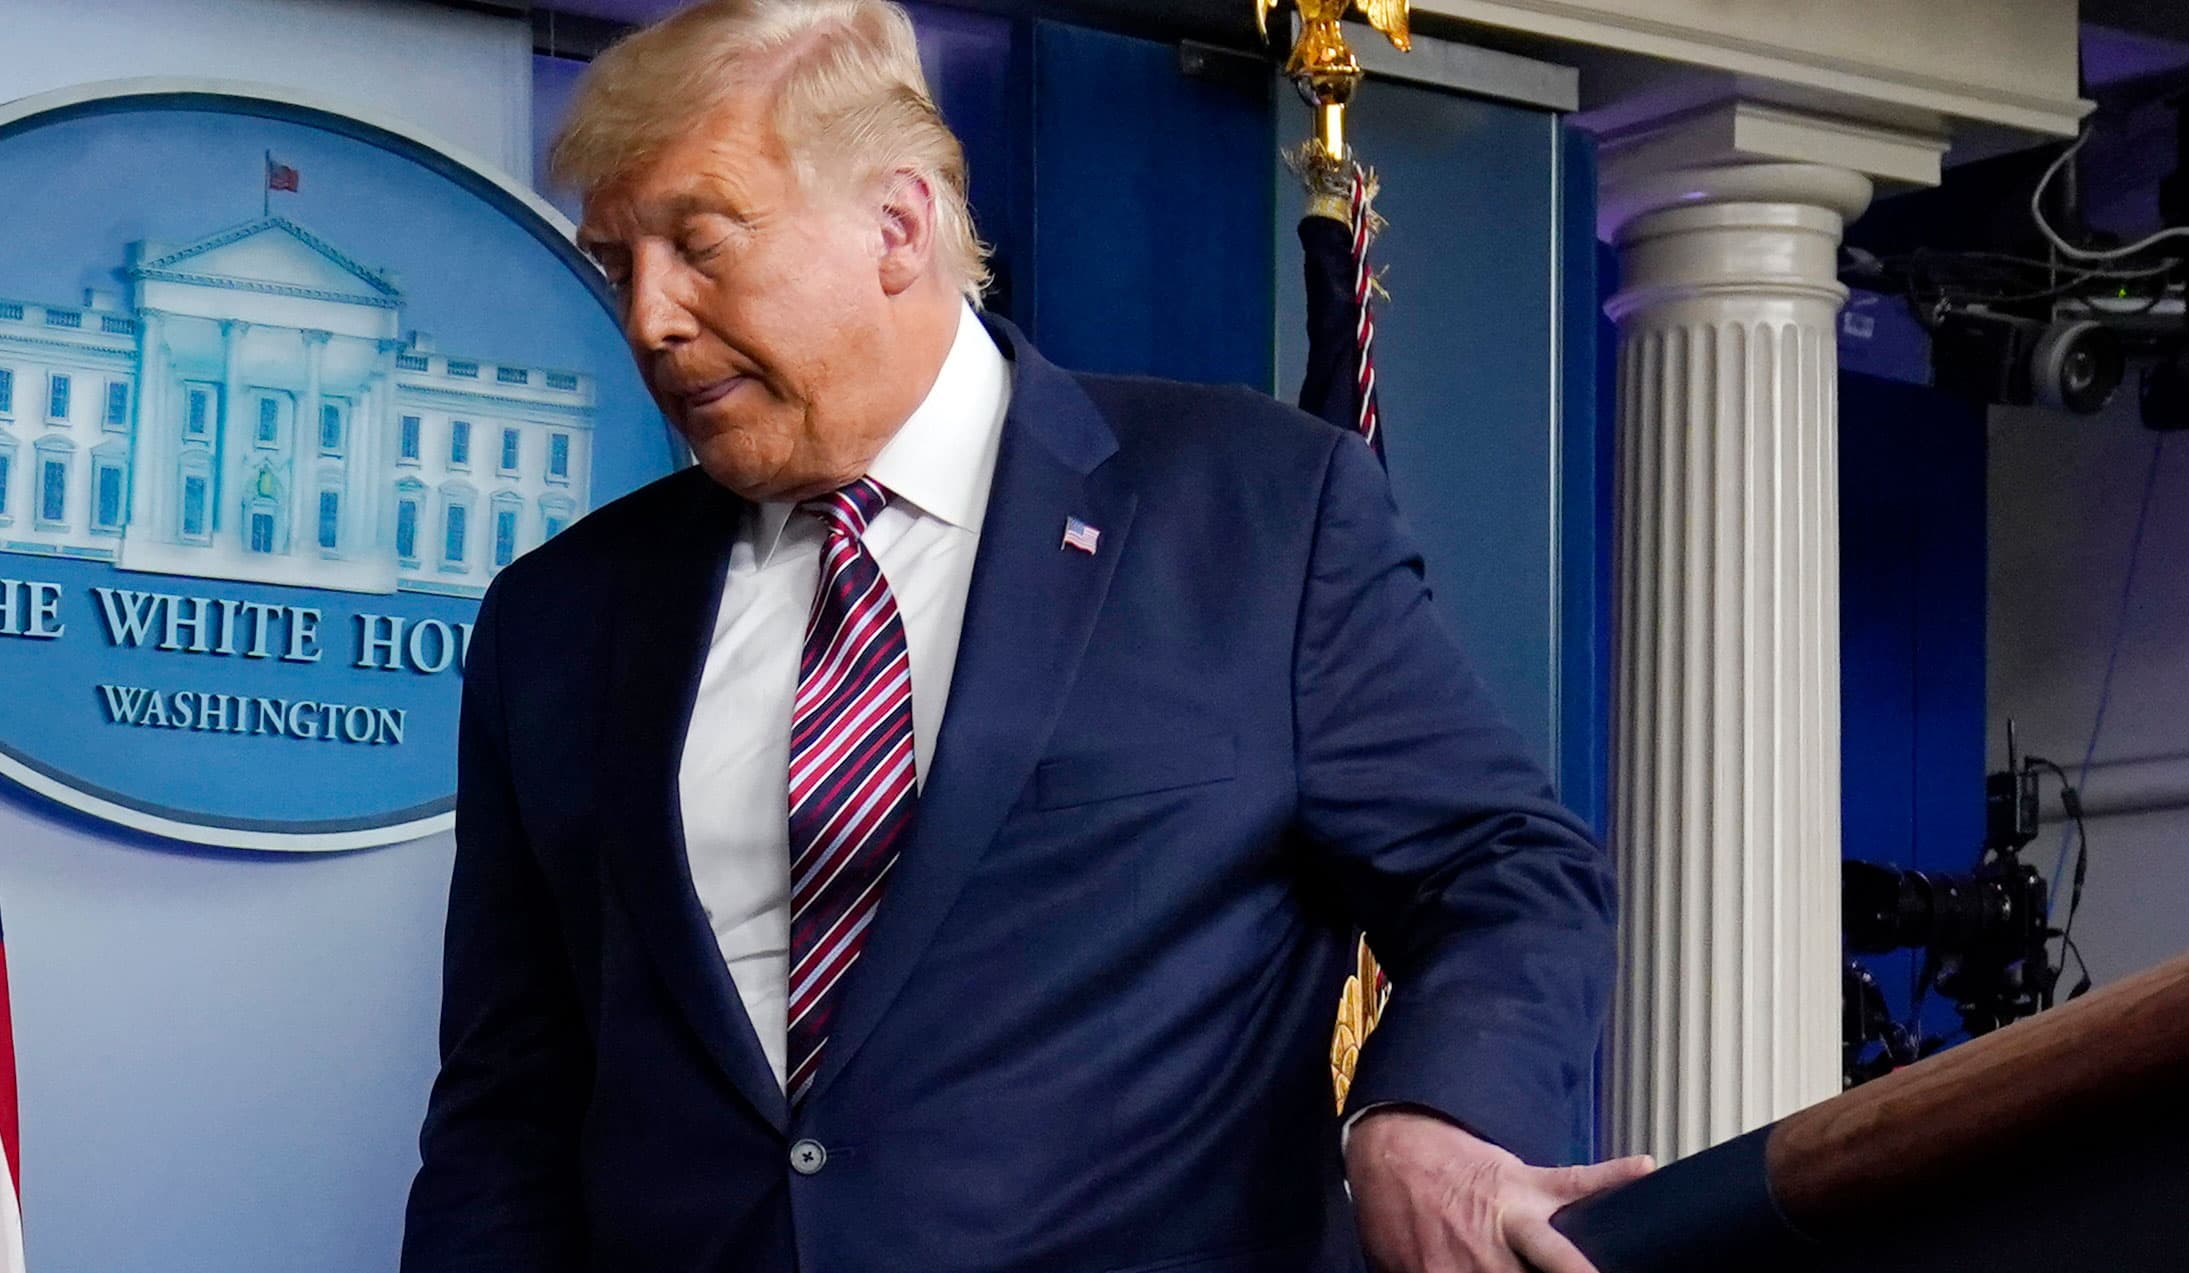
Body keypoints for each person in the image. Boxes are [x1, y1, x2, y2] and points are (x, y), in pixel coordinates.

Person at [401, 2, 1649, 1270]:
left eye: (699, 244)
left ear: (897, 224)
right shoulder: (555, 619)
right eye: (620, 263)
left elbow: (1504, 872)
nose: (649, 318)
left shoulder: (1257, 510)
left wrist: (1427, 1115)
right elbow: (510, 1101)